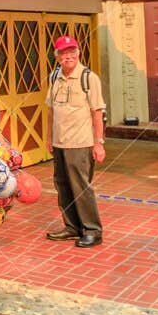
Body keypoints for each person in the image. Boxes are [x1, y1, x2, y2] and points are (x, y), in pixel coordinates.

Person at [44, 35, 106, 248]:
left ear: (78, 53)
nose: (67, 56)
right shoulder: (54, 77)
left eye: (71, 52)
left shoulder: (89, 78)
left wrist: (99, 143)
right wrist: (49, 138)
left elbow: (97, 113)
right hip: (60, 143)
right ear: (57, 57)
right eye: (63, 53)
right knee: (62, 186)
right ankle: (72, 226)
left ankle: (92, 230)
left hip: (80, 143)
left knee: (81, 188)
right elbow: (51, 112)